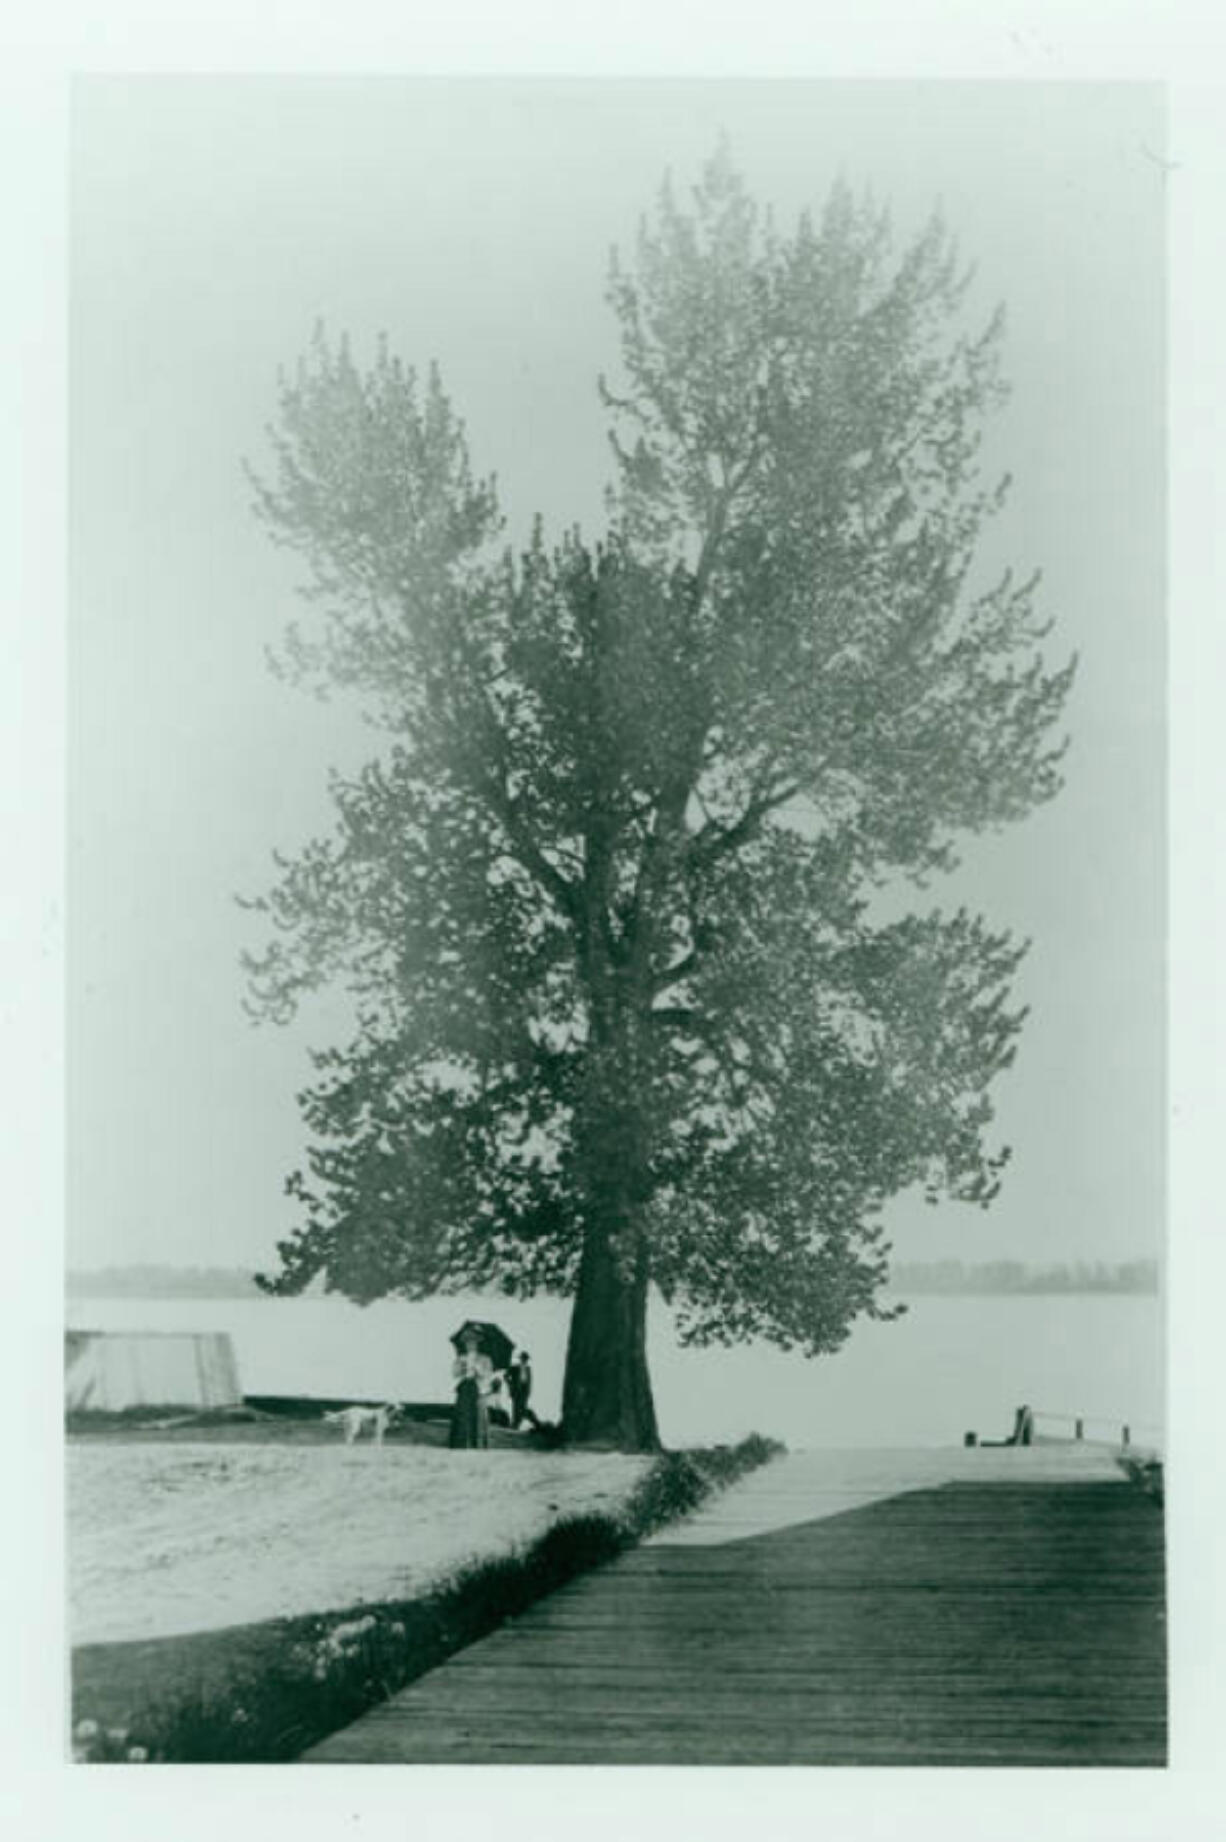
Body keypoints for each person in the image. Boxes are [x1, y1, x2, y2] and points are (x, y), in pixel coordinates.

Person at [448, 1327, 492, 1449]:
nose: (470, 1344)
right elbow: (454, 1374)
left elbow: (487, 1375)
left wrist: (476, 1367)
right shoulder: (461, 1357)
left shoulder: (485, 1359)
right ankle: (461, 1444)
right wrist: (461, 1366)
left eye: (472, 1341)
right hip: (465, 1388)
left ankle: (477, 1444)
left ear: (478, 1343)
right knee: (462, 1415)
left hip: (478, 1389)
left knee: (477, 1416)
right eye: (467, 1342)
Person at [508, 1349, 540, 1432]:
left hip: (524, 1390)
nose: (524, 1360)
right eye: (523, 1358)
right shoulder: (515, 1367)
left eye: (525, 1359)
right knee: (515, 1407)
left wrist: (529, 1391)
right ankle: (514, 1424)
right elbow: (506, 1376)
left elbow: (529, 1381)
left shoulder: (528, 1369)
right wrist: (511, 1384)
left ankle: (518, 1424)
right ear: (520, 1359)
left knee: (522, 1407)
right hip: (516, 1389)